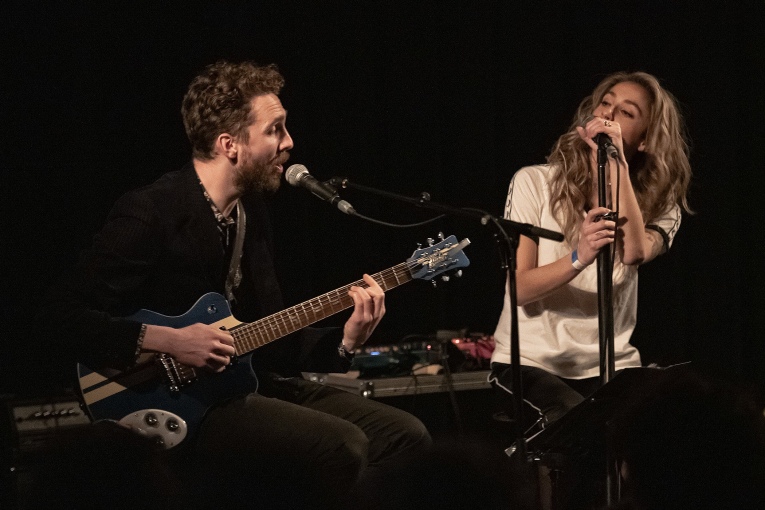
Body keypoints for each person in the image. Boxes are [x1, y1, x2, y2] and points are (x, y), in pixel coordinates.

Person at [38, 60, 431, 509]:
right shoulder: (152, 211)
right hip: (173, 399)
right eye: (275, 130)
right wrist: (169, 341)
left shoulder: (249, 214)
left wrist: (345, 339)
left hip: (239, 382)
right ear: (230, 144)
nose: (289, 143)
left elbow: (268, 336)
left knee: (405, 437)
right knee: (340, 445)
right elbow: (59, 317)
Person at [490, 71, 692, 428]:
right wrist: (578, 257)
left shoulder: (663, 204)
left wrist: (617, 167)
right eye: (606, 103)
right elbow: (518, 288)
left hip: (613, 363)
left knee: (668, 422)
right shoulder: (533, 182)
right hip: (531, 363)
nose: (609, 115)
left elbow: (633, 252)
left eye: (627, 113)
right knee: (574, 421)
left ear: (645, 140)